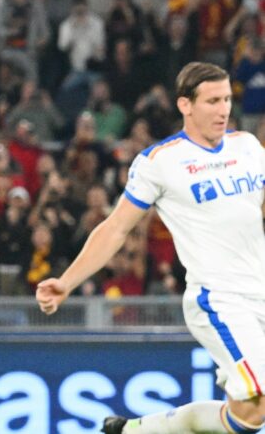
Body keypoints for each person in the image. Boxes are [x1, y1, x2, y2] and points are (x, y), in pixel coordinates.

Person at [36, 62, 265, 434]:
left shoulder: (248, 146)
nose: (223, 109)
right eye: (212, 101)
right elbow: (115, 228)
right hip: (220, 299)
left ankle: (136, 430)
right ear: (185, 105)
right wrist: (66, 282)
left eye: (226, 99)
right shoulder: (161, 162)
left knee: (248, 415)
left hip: (261, 290)